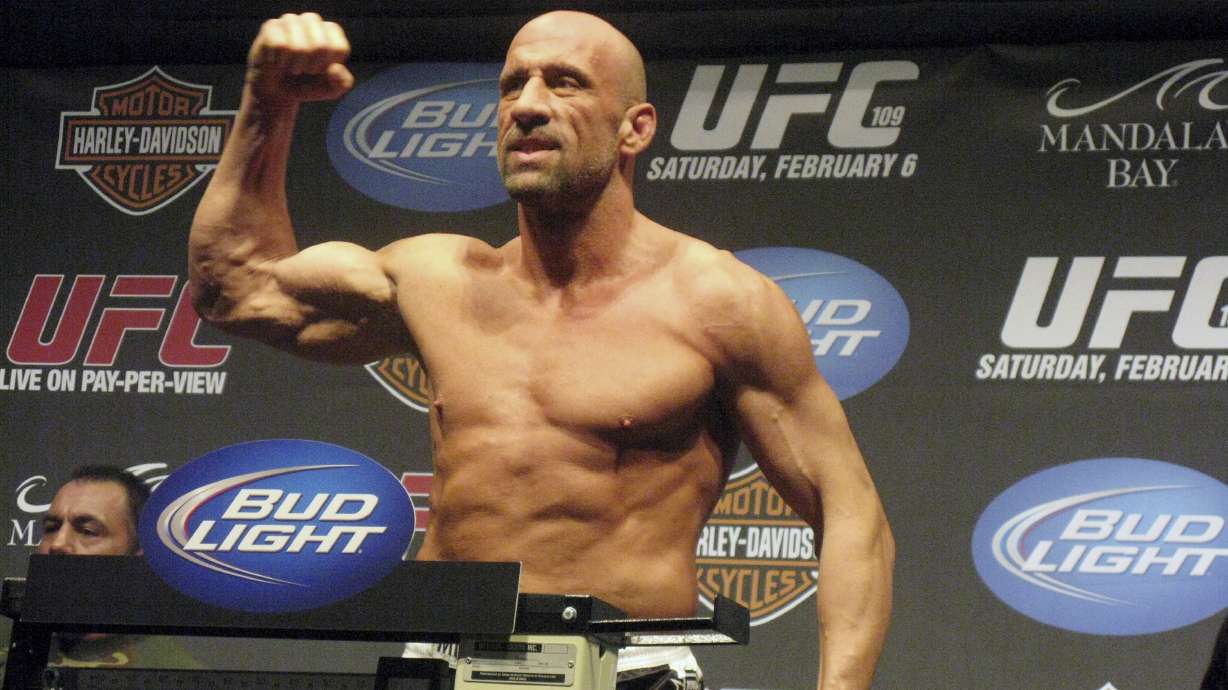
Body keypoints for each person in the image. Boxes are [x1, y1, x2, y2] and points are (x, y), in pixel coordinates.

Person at [188, 10, 894, 689]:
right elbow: (236, 291)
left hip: (625, 667)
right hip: (443, 657)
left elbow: (850, 511)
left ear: (634, 128)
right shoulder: (438, 281)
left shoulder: (716, 301)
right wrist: (266, 104)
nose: (526, 104)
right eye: (511, 83)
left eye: (564, 82)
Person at [35, 465, 200, 669]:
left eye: (87, 531)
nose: (58, 544)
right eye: (51, 528)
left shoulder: (173, 673)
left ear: (137, 555)